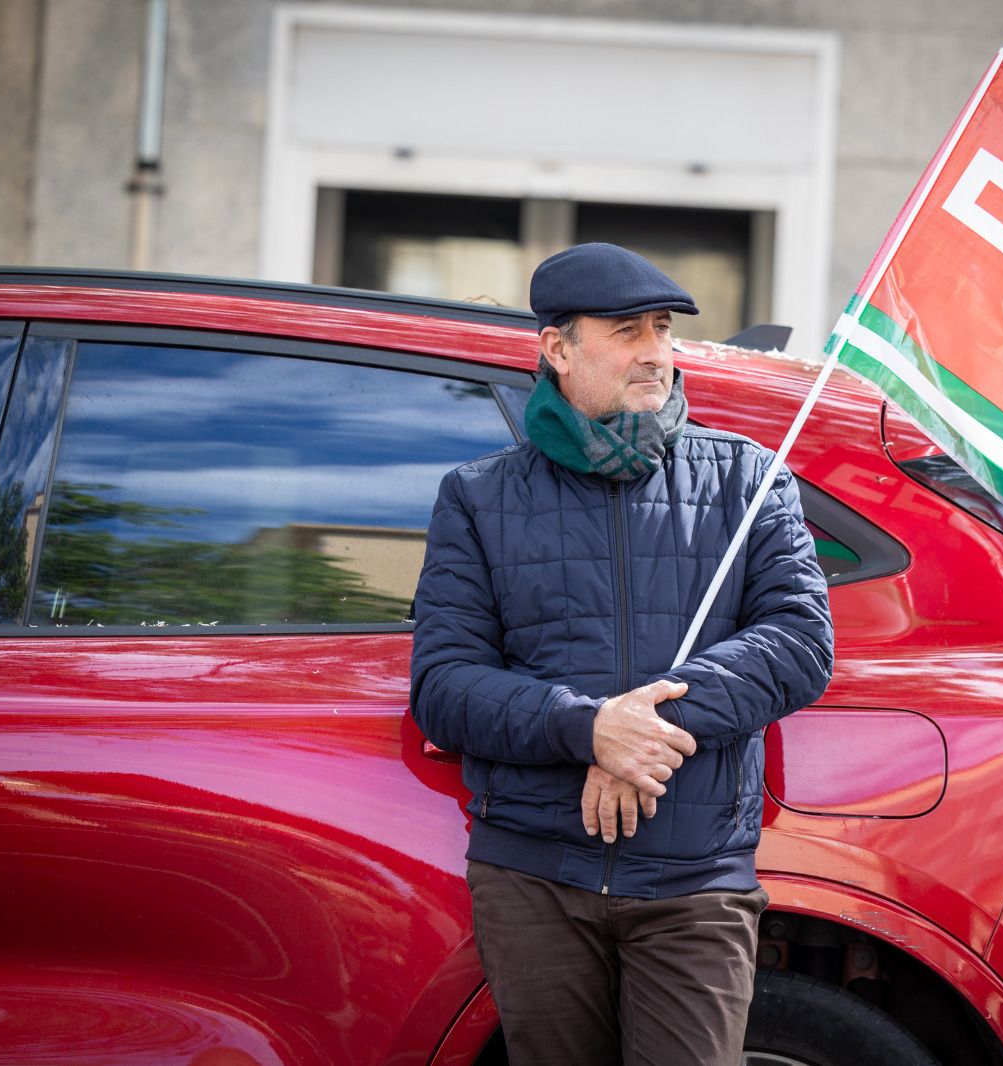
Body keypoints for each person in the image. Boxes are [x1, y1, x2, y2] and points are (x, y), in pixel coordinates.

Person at [410, 242, 834, 1066]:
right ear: (557, 348)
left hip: (695, 879)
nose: (654, 352)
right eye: (626, 330)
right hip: (534, 878)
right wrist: (588, 729)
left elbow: (800, 642)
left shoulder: (750, 482)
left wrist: (638, 732)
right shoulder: (479, 496)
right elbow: (445, 686)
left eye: (663, 329)